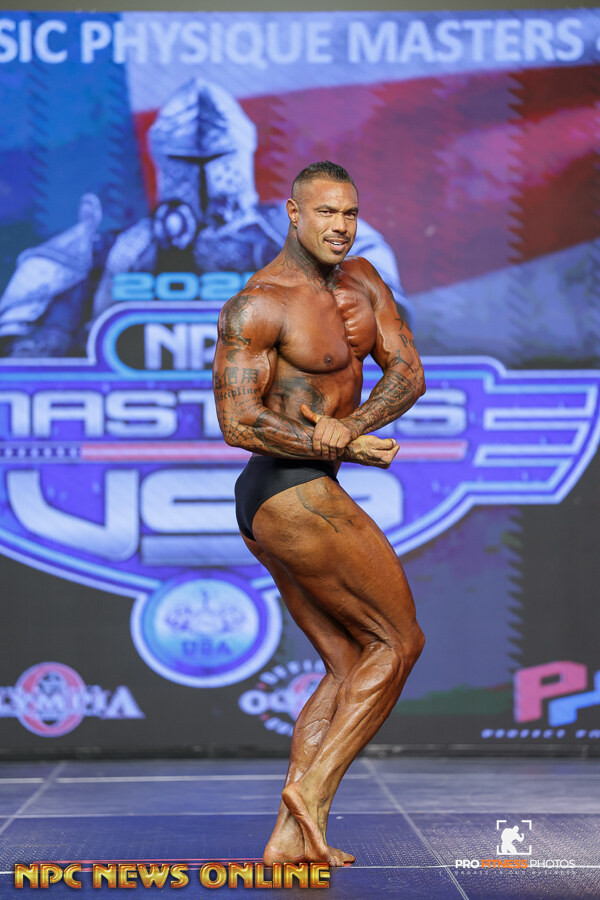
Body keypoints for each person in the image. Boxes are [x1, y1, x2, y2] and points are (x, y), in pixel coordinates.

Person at [212, 161, 426, 867]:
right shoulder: (258, 304)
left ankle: (287, 838)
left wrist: (351, 427)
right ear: (292, 213)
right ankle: (313, 788)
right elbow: (238, 421)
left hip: (301, 488)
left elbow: (408, 373)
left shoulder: (363, 280)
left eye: (350, 213)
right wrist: (332, 444)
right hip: (284, 489)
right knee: (398, 643)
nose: (340, 226)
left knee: (345, 662)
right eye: (326, 212)